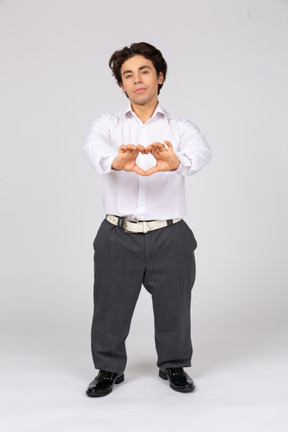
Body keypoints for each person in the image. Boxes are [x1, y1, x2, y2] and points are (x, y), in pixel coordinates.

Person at [82, 42, 212, 397]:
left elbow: (201, 151)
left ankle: (174, 365)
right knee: (109, 304)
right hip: (116, 233)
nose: (136, 80)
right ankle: (108, 369)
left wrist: (176, 162)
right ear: (122, 85)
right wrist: (115, 161)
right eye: (128, 75)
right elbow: (92, 146)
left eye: (144, 71)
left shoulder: (180, 127)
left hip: (170, 234)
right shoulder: (108, 124)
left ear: (160, 77)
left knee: (175, 304)